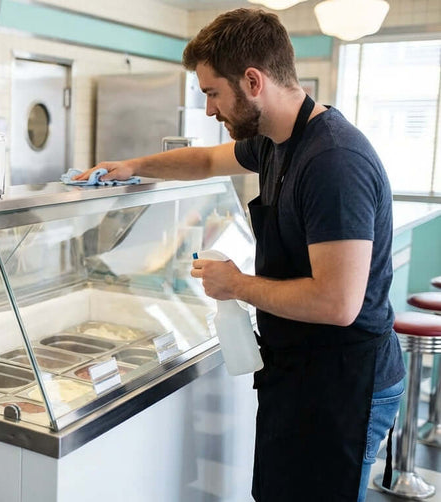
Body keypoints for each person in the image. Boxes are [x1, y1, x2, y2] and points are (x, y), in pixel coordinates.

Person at [74, 9, 404, 502]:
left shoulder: (334, 162)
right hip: (299, 371)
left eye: (212, 93)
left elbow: (338, 303)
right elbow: (206, 160)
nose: (209, 110)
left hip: (343, 385)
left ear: (252, 81)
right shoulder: (274, 143)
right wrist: (131, 165)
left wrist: (236, 284)